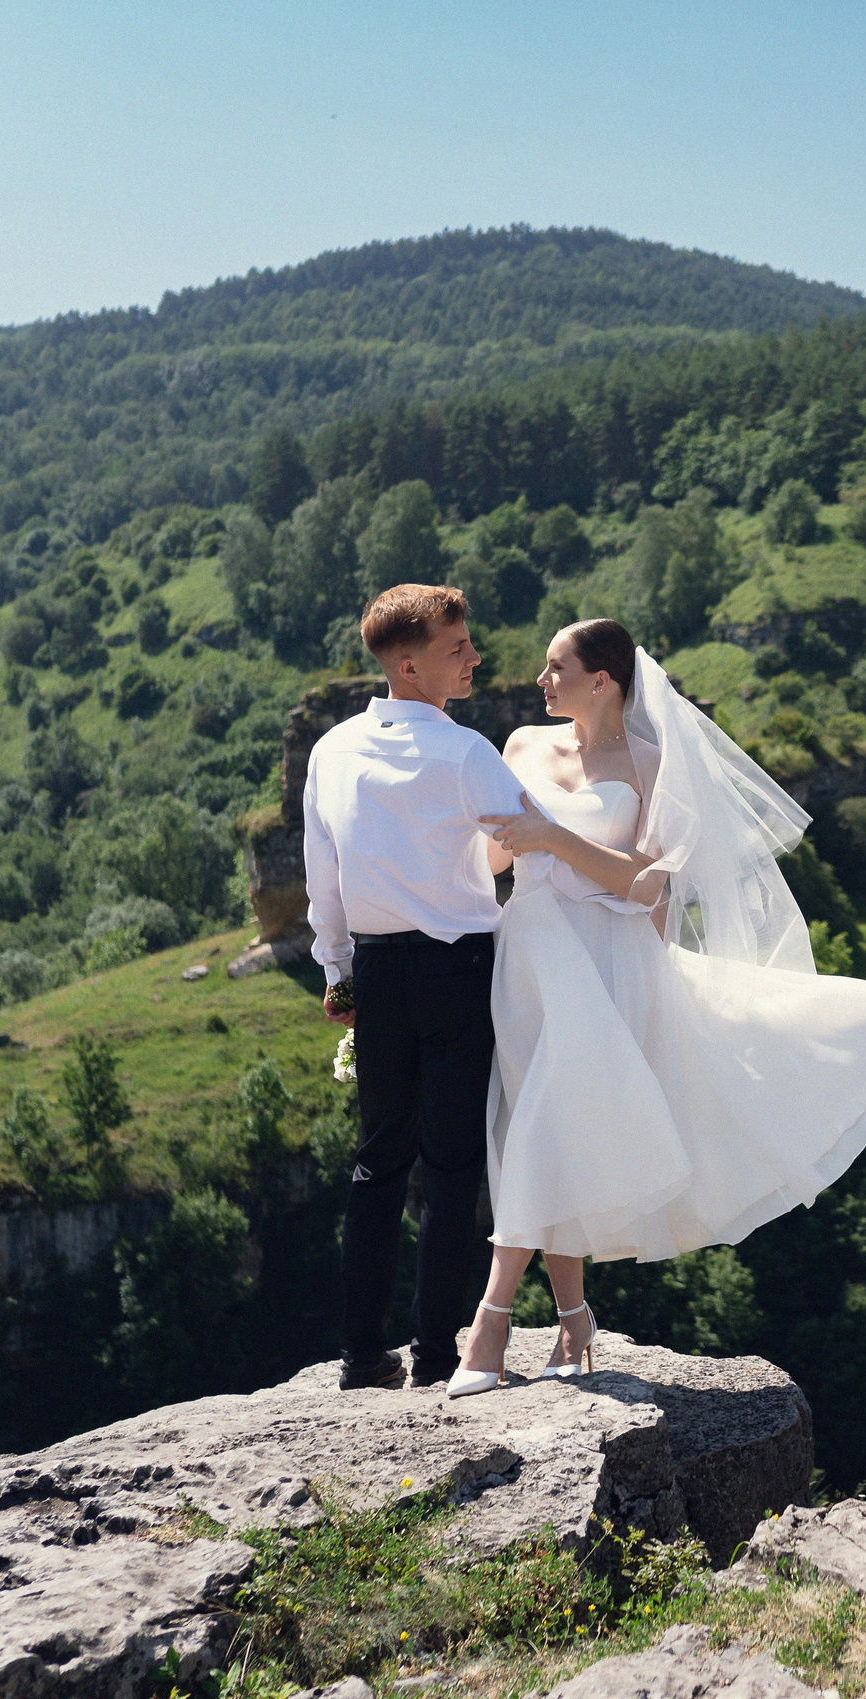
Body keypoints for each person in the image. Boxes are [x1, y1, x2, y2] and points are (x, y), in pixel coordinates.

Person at [443, 618, 866, 1396]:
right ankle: (573, 1316)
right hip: (529, 952)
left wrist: (553, 834)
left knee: (546, 1114)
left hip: (605, 956)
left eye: (556, 667)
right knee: (539, 1121)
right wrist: (506, 837)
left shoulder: (649, 763)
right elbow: (495, 860)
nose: (540, 681)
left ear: (602, 679)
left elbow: (648, 884)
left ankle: (491, 1321)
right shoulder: (519, 747)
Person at [302, 584, 539, 1391]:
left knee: (377, 1164)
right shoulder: (468, 753)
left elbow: (322, 878)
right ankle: (438, 1355)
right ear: (409, 666)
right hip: (460, 969)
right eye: (456, 648)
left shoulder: (330, 751)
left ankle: (361, 1353)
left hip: (376, 970)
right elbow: (527, 842)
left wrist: (337, 972)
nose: (475, 657)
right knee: (450, 1166)